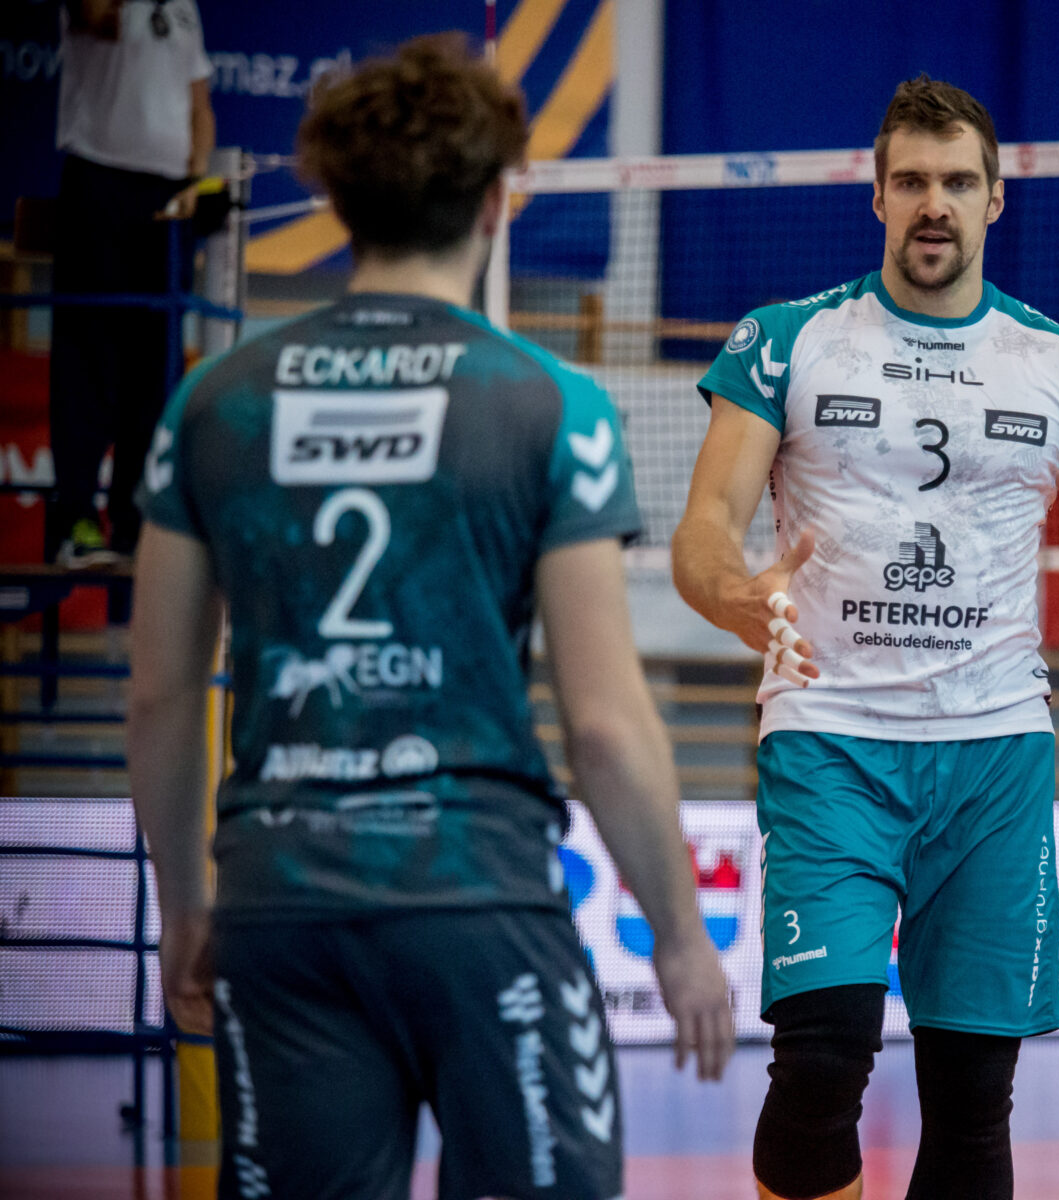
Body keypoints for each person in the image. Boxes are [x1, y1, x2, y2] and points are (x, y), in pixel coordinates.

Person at [126, 36, 733, 1200]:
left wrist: (188, 908)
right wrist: (677, 935)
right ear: (498, 200)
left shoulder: (211, 402)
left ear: (336, 200)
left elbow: (159, 694)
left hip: (280, 901)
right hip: (477, 899)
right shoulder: (552, 405)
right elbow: (605, 726)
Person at [670, 74, 1059, 1200]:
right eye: (911, 181)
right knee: (819, 1066)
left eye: (958, 182)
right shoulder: (786, 341)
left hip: (995, 753)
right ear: (877, 197)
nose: (934, 203)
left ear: (995, 199)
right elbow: (705, 527)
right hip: (832, 739)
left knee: (971, 1102)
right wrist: (736, 595)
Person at [49, 0, 215, 565]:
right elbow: (98, 19)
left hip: (168, 198)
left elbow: (200, 105)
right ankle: (74, 522)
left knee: (156, 368)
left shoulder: (184, 6)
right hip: (99, 179)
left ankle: (134, 521)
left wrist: (195, 179)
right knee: (89, 360)